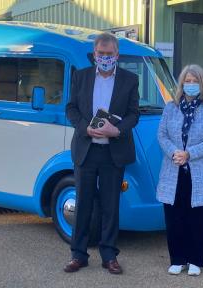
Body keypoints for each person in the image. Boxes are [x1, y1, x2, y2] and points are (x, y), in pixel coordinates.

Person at [63, 32, 140, 274]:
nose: (105, 58)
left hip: (113, 152)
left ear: (117, 55)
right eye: (101, 54)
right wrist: (84, 127)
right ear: (94, 54)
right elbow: (71, 108)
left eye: (109, 54)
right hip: (86, 150)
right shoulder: (81, 77)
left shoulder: (130, 80)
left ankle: (109, 255)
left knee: (110, 206)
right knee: (83, 203)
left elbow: (133, 114)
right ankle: (78, 255)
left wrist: (116, 130)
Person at [157, 64, 203, 276]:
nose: (190, 84)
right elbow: (162, 135)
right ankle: (178, 258)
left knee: (199, 217)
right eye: (187, 80)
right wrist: (175, 152)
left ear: (202, 84)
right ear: (181, 83)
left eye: (195, 81)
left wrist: (189, 153)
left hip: (199, 171)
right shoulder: (170, 107)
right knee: (175, 216)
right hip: (173, 169)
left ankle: (195, 260)